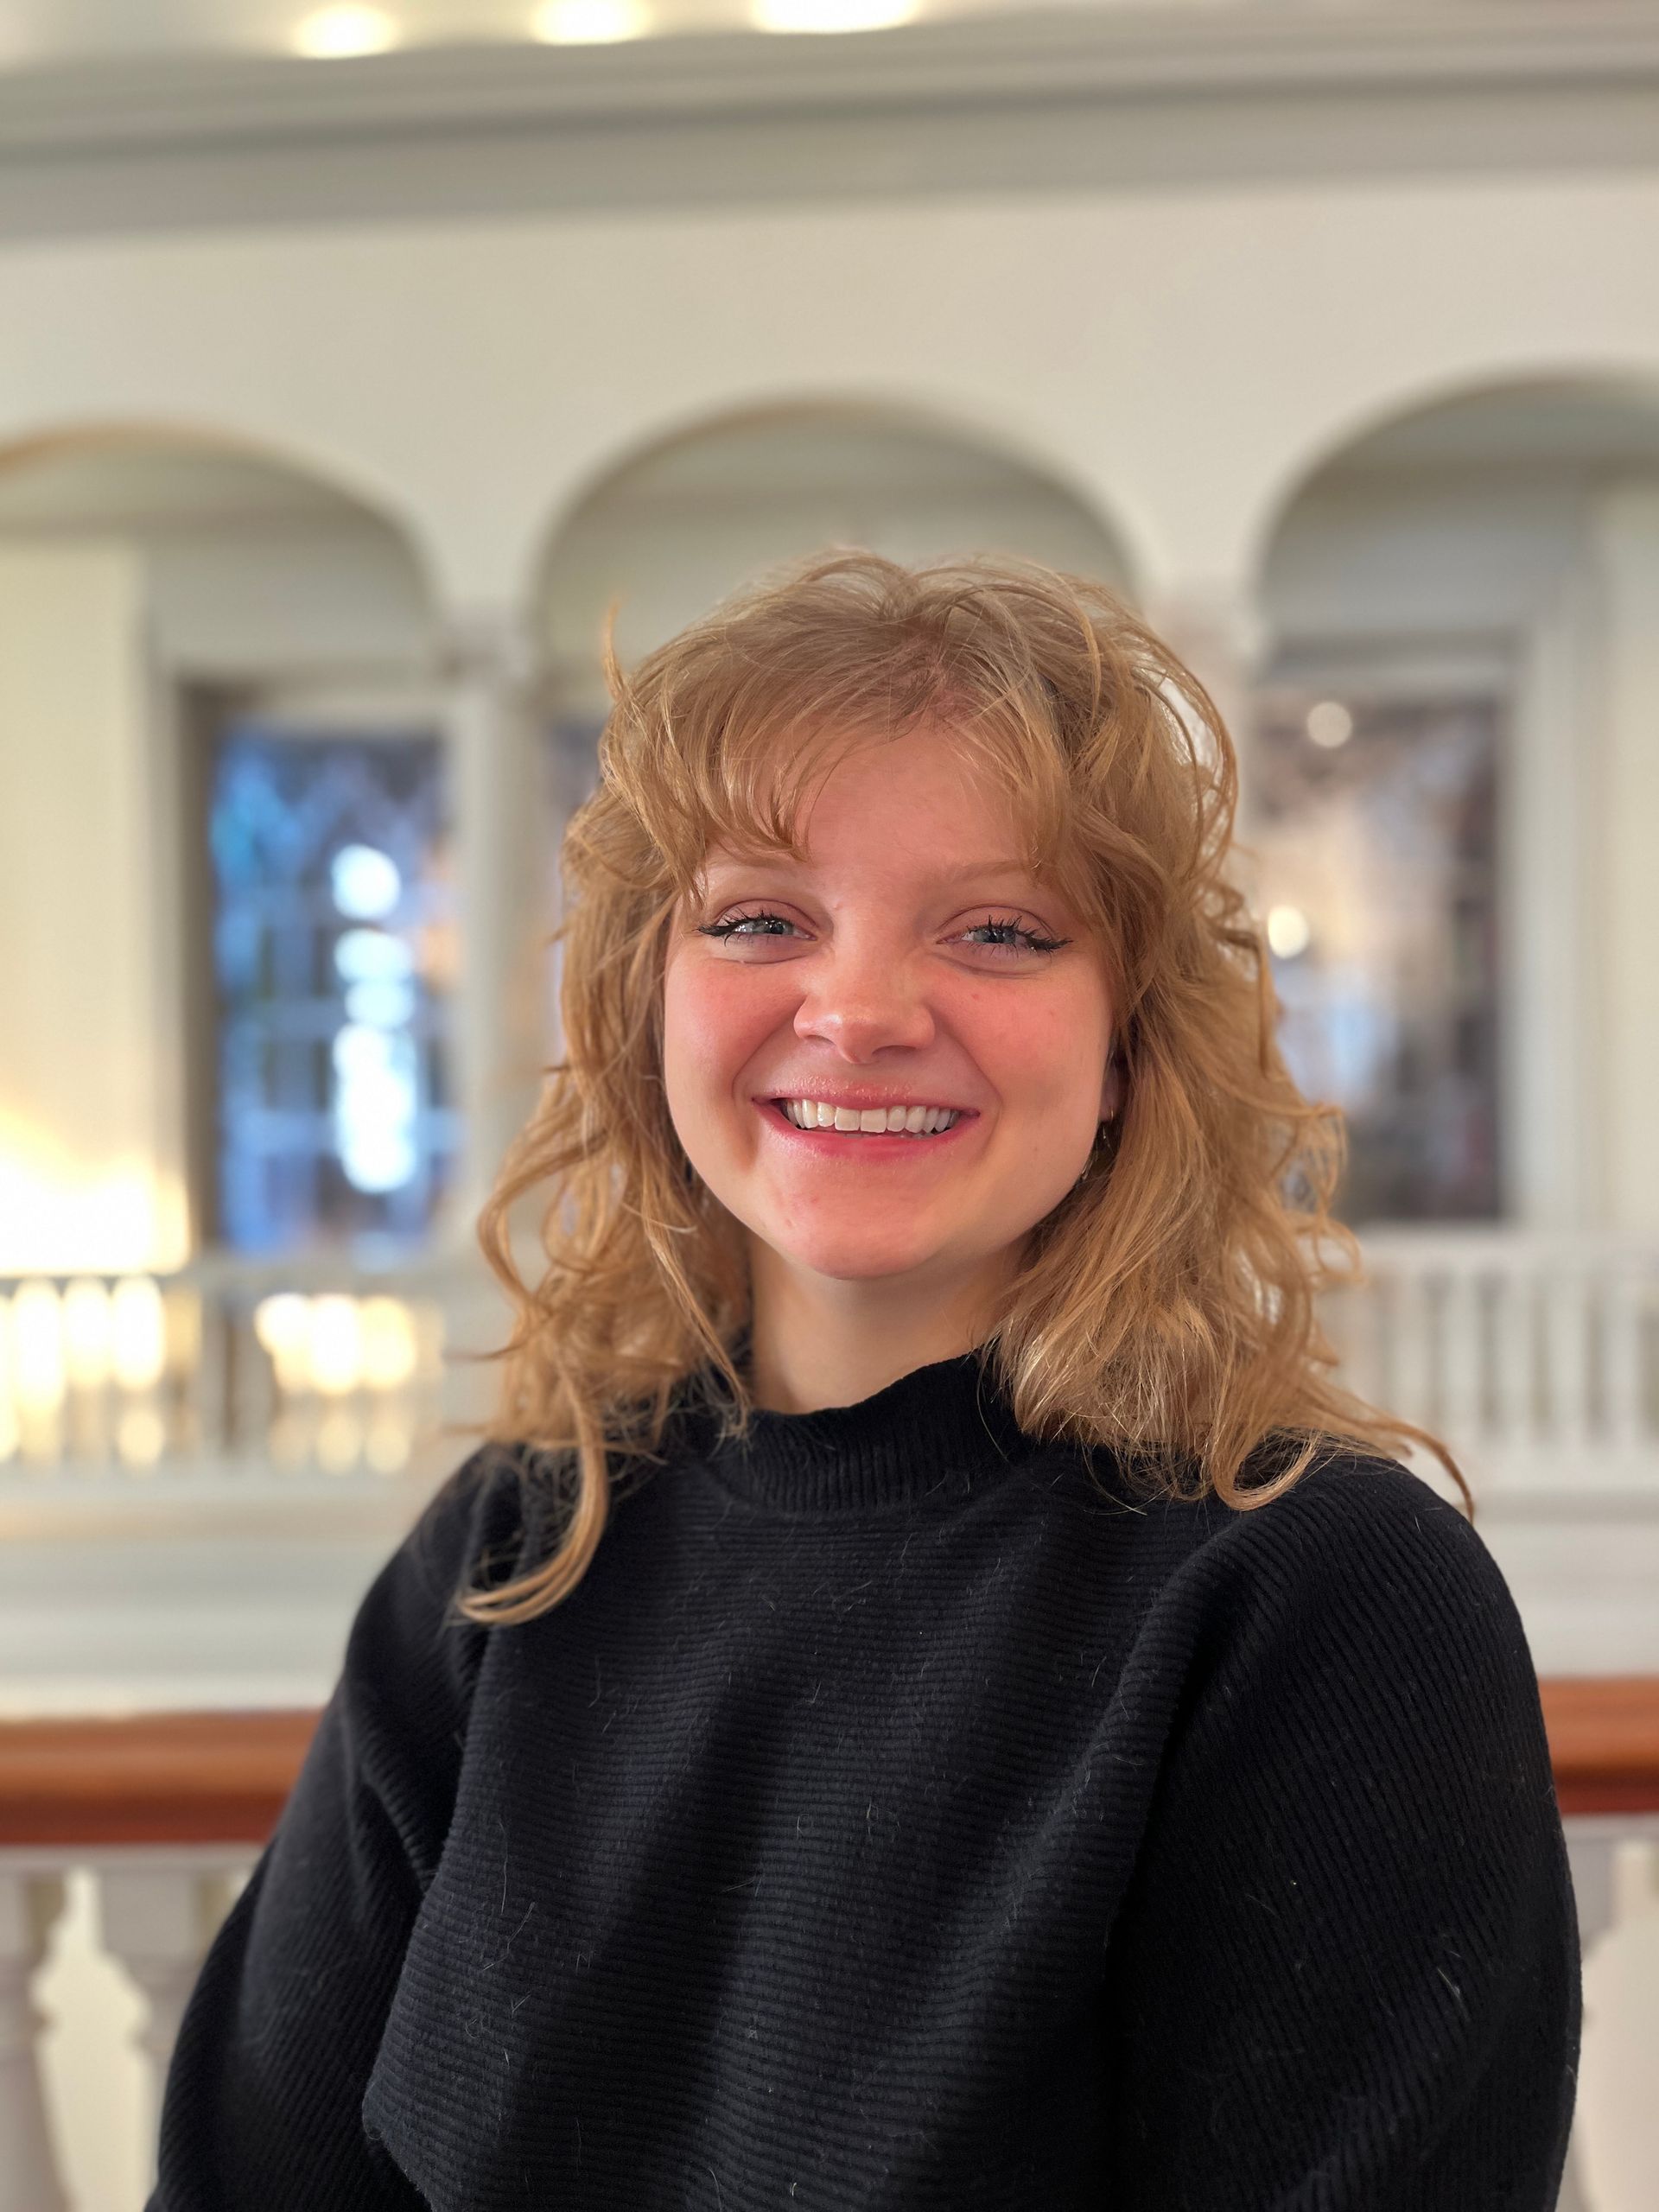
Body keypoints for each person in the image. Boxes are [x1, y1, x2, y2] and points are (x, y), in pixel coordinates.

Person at [147, 551, 1580, 2209]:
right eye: (762, 918)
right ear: (645, 1006)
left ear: (1126, 1046)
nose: (861, 1009)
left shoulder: (1315, 1598)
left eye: (999, 929)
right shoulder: (516, 1552)